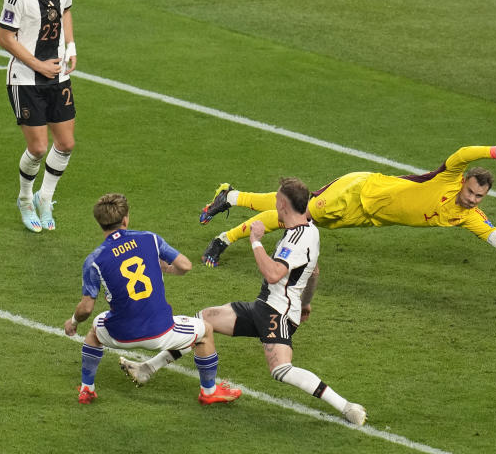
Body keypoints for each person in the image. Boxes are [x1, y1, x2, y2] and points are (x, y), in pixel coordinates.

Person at [120, 178, 368, 425]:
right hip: (267, 306)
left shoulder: (295, 240)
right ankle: (147, 369)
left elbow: (272, 274)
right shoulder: (310, 230)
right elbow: (314, 272)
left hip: (276, 313)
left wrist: (256, 240)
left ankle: (347, 407)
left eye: (277, 198)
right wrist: (305, 303)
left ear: (282, 204)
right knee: (203, 322)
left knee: (281, 370)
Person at [199, 139, 496, 266]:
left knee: (298, 211)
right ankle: (224, 239)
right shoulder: (448, 177)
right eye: (470, 192)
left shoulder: (467, 217)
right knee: (298, 216)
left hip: (364, 219)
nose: (471, 199)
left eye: (479, 197)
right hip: (359, 191)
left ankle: (229, 196)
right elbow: (460, 154)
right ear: (465, 182)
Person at [64, 193, 242, 406]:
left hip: (119, 335)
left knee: (94, 332)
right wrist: (164, 267)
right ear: (126, 219)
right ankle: (209, 391)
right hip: (161, 333)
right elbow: (185, 265)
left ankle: (87, 390)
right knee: (205, 331)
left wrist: (73, 322)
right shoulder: (149, 238)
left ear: (100, 223)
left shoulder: (93, 260)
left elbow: (85, 308)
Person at [0, 0, 77, 233]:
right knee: (39, 148)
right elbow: (5, 37)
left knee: (66, 143)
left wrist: (70, 47)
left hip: (58, 75)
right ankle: (24, 200)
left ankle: (45, 199)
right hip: (25, 79)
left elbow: (66, 10)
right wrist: (38, 65)